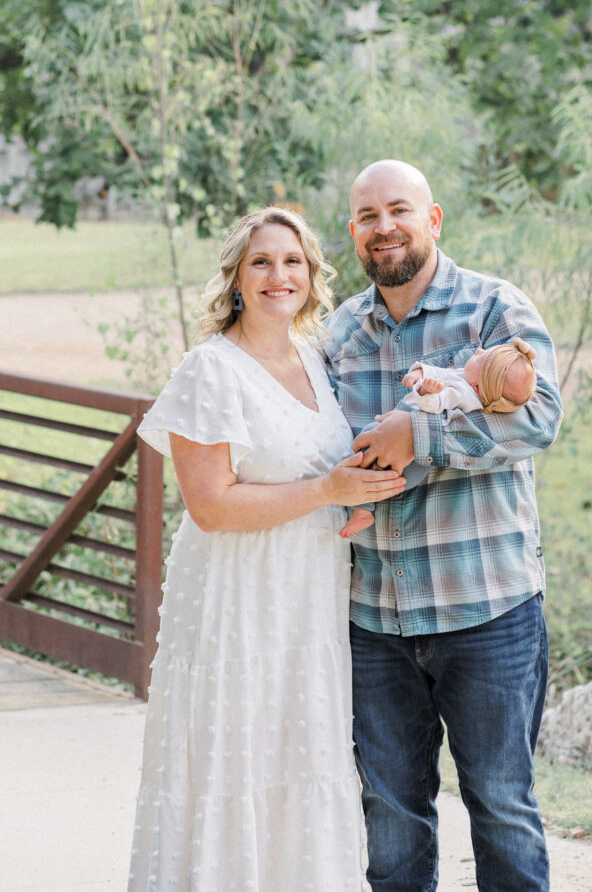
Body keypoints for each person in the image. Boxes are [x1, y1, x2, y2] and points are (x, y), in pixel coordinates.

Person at [127, 207, 405, 892]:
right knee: (236, 761)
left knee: (300, 759)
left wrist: (351, 502)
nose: (279, 275)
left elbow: (318, 471)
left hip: (307, 605)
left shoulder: (315, 358)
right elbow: (212, 506)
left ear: (310, 275)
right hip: (236, 607)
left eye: (292, 261)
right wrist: (326, 490)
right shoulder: (209, 371)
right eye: (262, 262)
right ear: (237, 279)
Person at [324, 160, 563, 892]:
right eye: (367, 216)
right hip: (373, 624)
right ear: (355, 233)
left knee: (500, 806)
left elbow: (538, 416)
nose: (383, 226)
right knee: (390, 814)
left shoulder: (494, 307)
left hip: (486, 610)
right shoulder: (336, 334)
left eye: (399, 210)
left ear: (432, 219)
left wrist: (419, 436)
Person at [340, 338, 537, 538]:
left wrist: (427, 391)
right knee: (375, 471)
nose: (477, 351)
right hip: (409, 451)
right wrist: (420, 373)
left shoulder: (464, 394)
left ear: (478, 387)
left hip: (410, 453)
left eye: (482, 357)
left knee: (367, 454)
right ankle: (363, 510)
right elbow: (440, 373)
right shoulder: (464, 378)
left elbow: (432, 406)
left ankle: (362, 511)